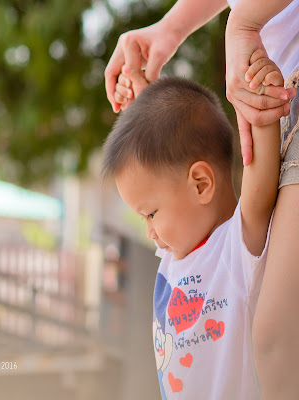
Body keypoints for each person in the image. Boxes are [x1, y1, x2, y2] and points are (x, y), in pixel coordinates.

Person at [105, 1, 299, 398]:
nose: (150, 232)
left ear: (200, 185)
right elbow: (161, 153)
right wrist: (145, 99)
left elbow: (260, 173)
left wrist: (259, 95)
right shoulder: (175, 254)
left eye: (152, 214)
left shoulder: (237, 247)